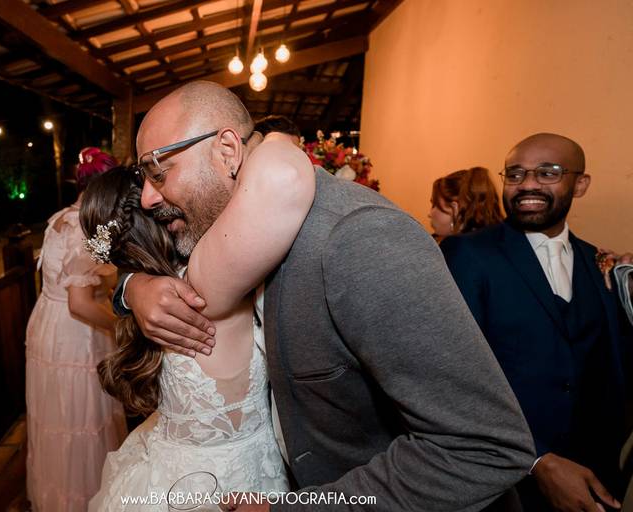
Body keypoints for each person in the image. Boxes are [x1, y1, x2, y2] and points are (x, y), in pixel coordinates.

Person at [116, 80, 535, 511]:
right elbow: (137, 256)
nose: (147, 197)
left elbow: (484, 448)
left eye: (159, 172)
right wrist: (131, 289)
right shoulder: (226, 228)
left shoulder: (362, 241)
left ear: (227, 151)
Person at [82, 130, 314, 510]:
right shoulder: (204, 285)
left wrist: (130, 285)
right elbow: (283, 172)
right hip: (227, 482)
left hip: (170, 469)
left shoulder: (163, 291)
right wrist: (267, 137)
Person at [441, 133, 633, 512]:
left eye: (548, 172)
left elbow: (613, 371)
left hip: (595, 481)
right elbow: (454, 375)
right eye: (515, 174)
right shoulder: (468, 254)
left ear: (580, 184)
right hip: (506, 485)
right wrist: (536, 460)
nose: (527, 184)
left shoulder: (600, 264)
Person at [25, 147, 127, 512]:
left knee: (57, 420)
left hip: (47, 325)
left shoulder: (61, 218)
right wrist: (123, 327)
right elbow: (80, 303)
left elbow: (91, 276)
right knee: (81, 421)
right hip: (75, 335)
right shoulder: (88, 227)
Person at [429, 166, 504, 241]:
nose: (429, 215)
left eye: (434, 205)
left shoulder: (455, 246)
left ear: (455, 209)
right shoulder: (499, 238)